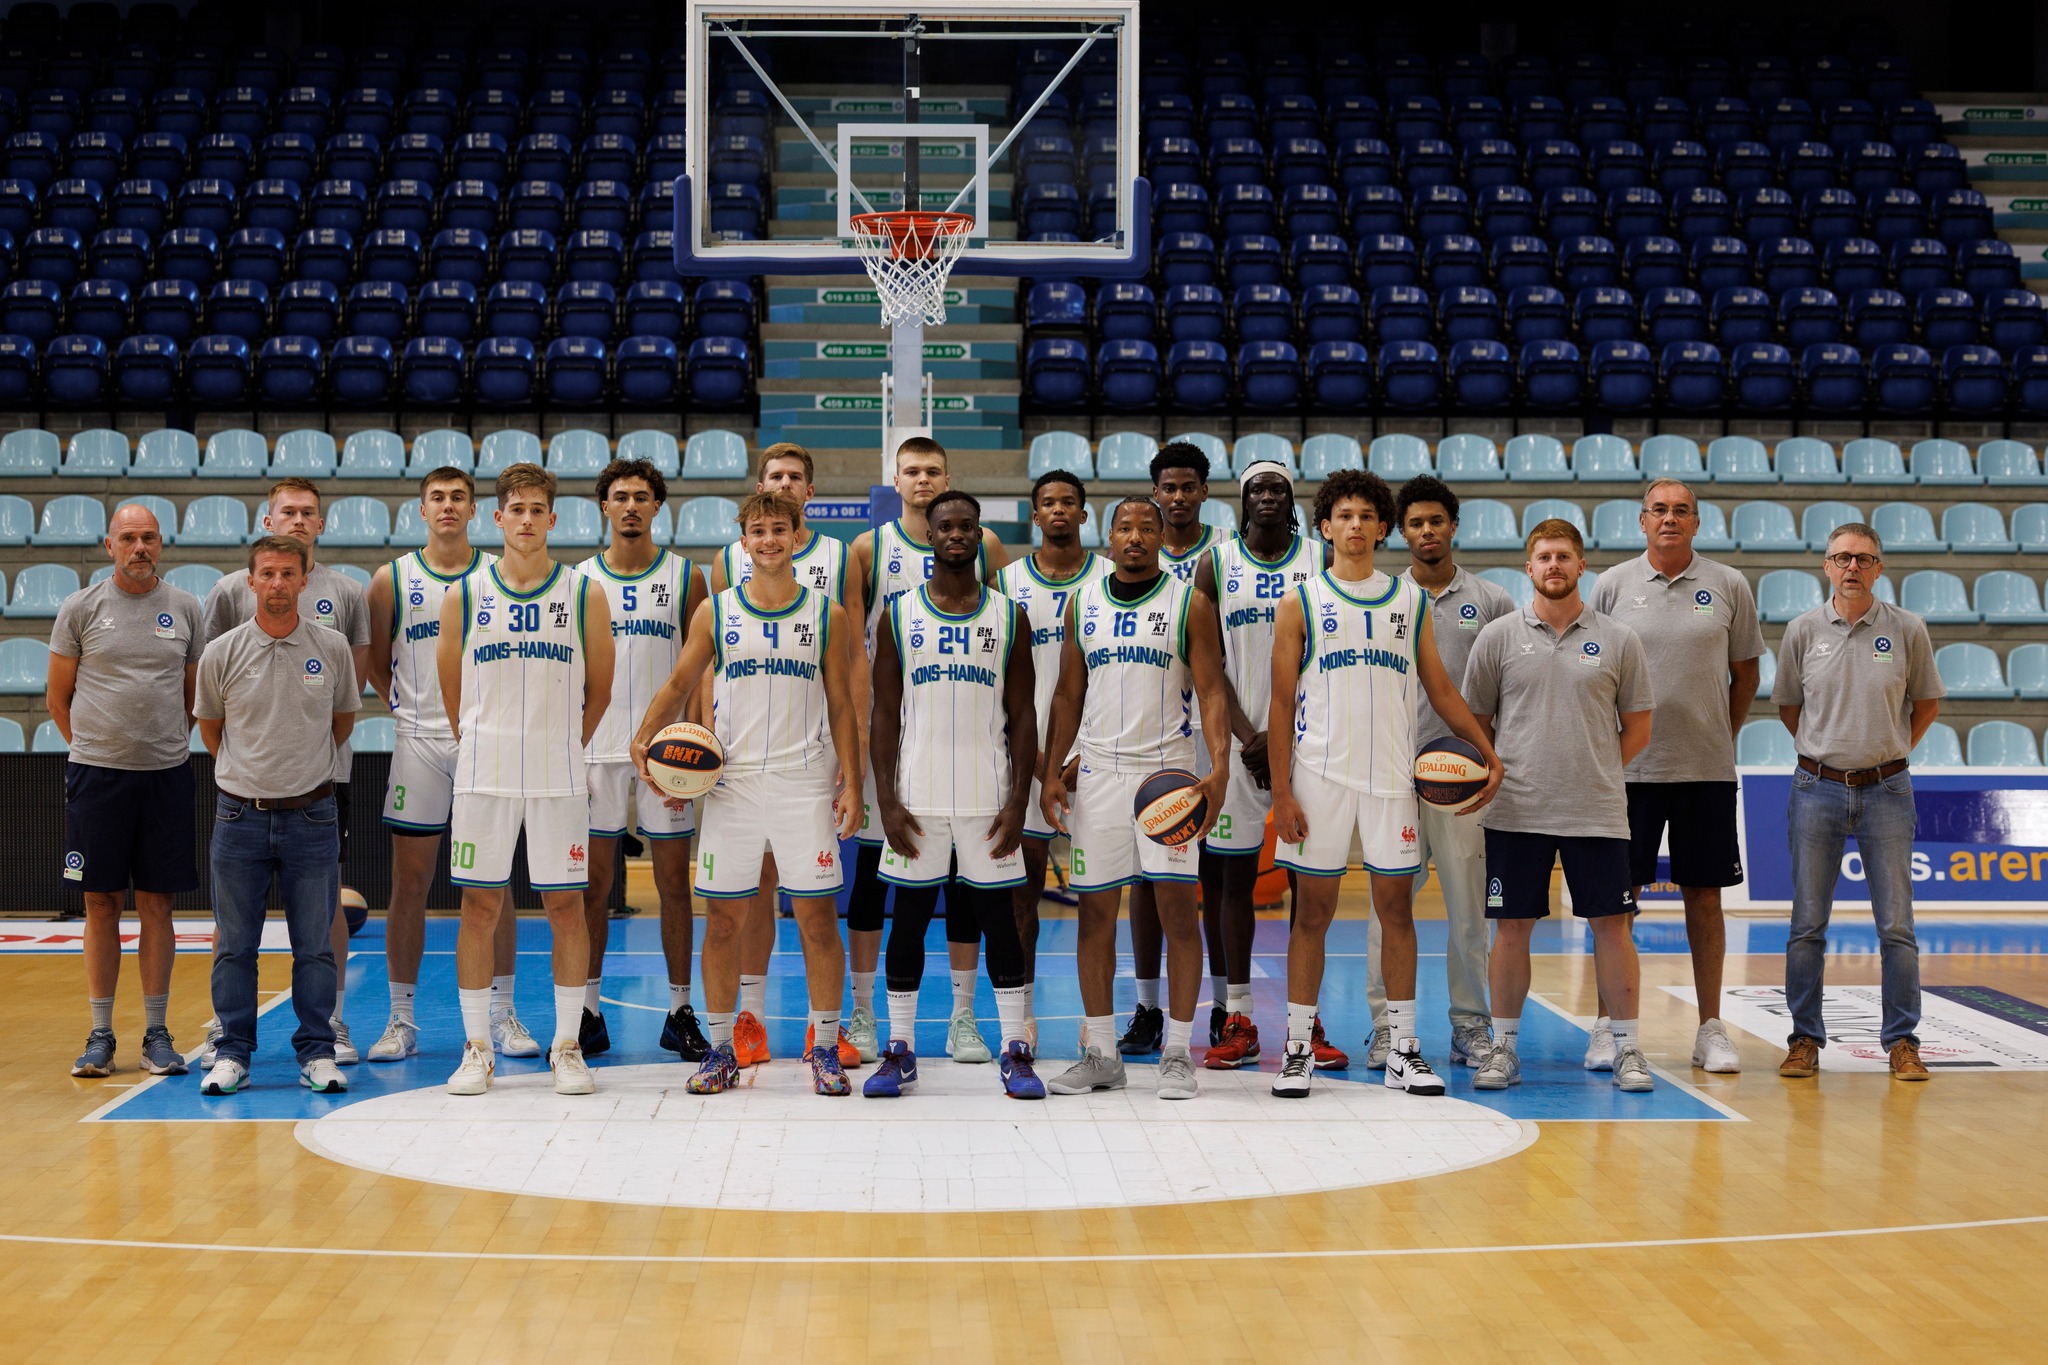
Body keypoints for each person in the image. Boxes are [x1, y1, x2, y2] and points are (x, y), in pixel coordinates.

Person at [1265, 471, 1503, 1099]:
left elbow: (1441, 690)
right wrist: (1282, 792)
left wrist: (1487, 754)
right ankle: (1297, 1049)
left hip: (1392, 780)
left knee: (1397, 912)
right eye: (1344, 515)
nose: (1355, 525)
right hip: (1318, 778)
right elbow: (1279, 702)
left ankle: (1402, 1048)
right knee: (1311, 915)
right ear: (1325, 527)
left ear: (1381, 528)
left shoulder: (1408, 601)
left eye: (1367, 516)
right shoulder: (1300, 601)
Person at [632, 492, 864, 1097]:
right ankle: (719, 1051)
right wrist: (645, 737)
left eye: (779, 529)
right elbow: (680, 681)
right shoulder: (717, 611)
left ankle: (824, 1047)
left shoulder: (828, 614)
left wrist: (854, 782)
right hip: (732, 785)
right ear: (744, 542)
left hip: (804, 782)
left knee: (817, 921)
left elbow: (842, 704)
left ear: (797, 536)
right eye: (758, 531)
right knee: (723, 921)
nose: (769, 540)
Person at [1040, 497, 1232, 1101]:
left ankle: (1177, 1052)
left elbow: (1212, 692)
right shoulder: (1083, 603)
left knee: (1177, 914)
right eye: (1124, 527)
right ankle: (1102, 1053)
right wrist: (1051, 772)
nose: (1136, 537)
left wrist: (1219, 768)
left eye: (1147, 528)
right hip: (1098, 777)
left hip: (1167, 777)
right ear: (1110, 536)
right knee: (1094, 915)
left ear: (1160, 537)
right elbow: (1067, 694)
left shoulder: (1189, 603)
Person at [436, 463, 615, 1098]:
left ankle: (567, 1046)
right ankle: (477, 1047)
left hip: (556, 775)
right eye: (517, 509)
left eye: (538, 509)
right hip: (483, 776)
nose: (528, 520)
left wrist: (561, 744)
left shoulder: (584, 593)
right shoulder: (465, 595)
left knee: (566, 907)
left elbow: (601, 691)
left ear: (553, 519)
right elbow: (453, 693)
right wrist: (482, 742)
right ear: (498, 518)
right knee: (479, 907)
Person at [1462, 518, 1657, 1094]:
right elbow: (1476, 722)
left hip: (1595, 810)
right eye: (1544, 557)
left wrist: (1593, 769)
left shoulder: (1619, 639)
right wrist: (1502, 768)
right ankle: (1503, 1049)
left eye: (1564, 556)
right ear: (1529, 568)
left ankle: (1627, 1048)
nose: (1554, 565)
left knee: (1612, 927)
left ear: (1581, 565)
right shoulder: (1497, 637)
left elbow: (1639, 727)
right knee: (1510, 928)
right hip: (1516, 809)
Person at [866, 492, 1044, 1099]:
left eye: (967, 525)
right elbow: (883, 714)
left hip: (987, 799)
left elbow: (1024, 715)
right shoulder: (899, 615)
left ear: (978, 533)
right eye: (946, 526)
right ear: (930, 535)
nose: (956, 534)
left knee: (1000, 924)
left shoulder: (1009, 616)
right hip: (916, 799)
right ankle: (899, 1048)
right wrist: (887, 800)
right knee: (909, 922)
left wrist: (1018, 802)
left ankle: (1015, 1048)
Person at [1589, 478, 1764, 1075]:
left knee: (1705, 898)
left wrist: (1719, 733)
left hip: (1704, 770)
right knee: (1618, 903)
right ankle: (1609, 1026)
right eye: (1659, 510)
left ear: (1696, 522)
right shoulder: (1612, 585)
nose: (1669, 518)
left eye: (1681, 510)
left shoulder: (1729, 584)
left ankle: (1710, 1027)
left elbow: (1746, 675)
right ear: (1642, 521)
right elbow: (1595, 672)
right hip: (1628, 772)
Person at [196, 477, 371, 1067]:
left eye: (287, 574)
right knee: (235, 942)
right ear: (253, 580)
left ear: (303, 579)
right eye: (267, 574)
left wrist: (301, 757)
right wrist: (248, 764)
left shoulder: (339, 617)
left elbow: (342, 715)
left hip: (314, 802)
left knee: (315, 939)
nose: (277, 582)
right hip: (240, 807)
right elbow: (212, 722)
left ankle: (322, 1039)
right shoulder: (224, 623)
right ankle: (229, 1043)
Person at [847, 436, 1010, 1066]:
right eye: (911, 471)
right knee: (873, 881)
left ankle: (962, 1016)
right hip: (892, 740)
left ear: (948, 477)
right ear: (895, 479)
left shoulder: (985, 545)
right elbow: (855, 646)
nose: (922, 479)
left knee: (965, 885)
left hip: (964, 736)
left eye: (933, 471)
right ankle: (864, 1012)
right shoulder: (869, 549)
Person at [363, 467, 532, 1064]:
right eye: (437, 497)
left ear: (475, 509)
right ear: (422, 509)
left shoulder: (497, 574)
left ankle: (502, 1014)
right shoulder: (392, 578)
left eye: (459, 497)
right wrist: (405, 705)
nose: (448, 506)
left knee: (494, 883)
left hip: (485, 742)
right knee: (408, 883)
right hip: (419, 742)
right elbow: (375, 660)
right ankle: (400, 1018)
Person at [708, 441, 866, 1065]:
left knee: (814, 908)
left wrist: (853, 759)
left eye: (795, 477)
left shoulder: (840, 558)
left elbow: (851, 665)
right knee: (749, 895)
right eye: (774, 475)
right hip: (742, 761)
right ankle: (748, 1019)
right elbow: (708, 661)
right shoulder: (728, 562)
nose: (784, 483)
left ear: (808, 495)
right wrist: (699, 738)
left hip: (808, 756)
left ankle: (821, 1033)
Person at [1772, 522, 1943, 1083]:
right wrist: (1829, 752)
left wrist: (1888, 751)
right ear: (1826, 566)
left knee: (1896, 926)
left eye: (1863, 559)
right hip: (1815, 788)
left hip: (1888, 790)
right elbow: (1790, 707)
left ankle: (1902, 1042)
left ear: (1879, 568)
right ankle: (1804, 1040)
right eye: (1842, 558)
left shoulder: (1908, 629)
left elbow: (1926, 703)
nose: (1852, 567)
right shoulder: (1801, 630)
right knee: (1807, 925)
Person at [51, 504, 203, 1078]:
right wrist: (96, 749)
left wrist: (160, 744)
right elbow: (57, 699)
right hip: (98, 778)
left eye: (149, 538)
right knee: (100, 903)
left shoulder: (185, 607)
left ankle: (157, 1034)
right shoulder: (81, 607)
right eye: (129, 538)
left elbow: (194, 697)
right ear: (109, 545)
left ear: (161, 544)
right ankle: (100, 1034)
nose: (140, 547)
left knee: (158, 904)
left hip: (166, 776)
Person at [1371, 475, 1517, 1071]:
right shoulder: (1381, 597)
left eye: (1436, 521)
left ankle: (1470, 1026)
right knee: (1387, 910)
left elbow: (1510, 689)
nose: (1427, 531)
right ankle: (1387, 1029)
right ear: (1400, 533)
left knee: (1468, 913)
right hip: (1392, 777)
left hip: (1462, 782)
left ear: (1453, 526)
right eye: (1415, 523)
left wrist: (1491, 760)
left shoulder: (1492, 601)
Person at [1190, 459, 1326, 1070]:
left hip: (1307, 744)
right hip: (1236, 744)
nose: (1267, 496)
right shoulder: (1215, 563)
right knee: (1231, 879)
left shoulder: (1318, 558)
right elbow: (1205, 658)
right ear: (1242, 501)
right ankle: (1236, 1013)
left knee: (1307, 881)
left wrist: (1283, 741)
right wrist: (1250, 737)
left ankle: (1306, 1019)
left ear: (1291, 500)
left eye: (1277, 488)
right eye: (1257, 489)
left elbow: (1326, 653)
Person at [576, 457, 709, 1063]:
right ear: (604, 506)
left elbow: (700, 668)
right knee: (593, 887)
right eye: (620, 496)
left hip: (667, 752)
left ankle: (680, 1010)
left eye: (641, 496)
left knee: (674, 884)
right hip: (597, 749)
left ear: (658, 506)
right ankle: (587, 1011)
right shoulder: (580, 580)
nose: (631, 506)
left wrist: (700, 739)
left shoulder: (685, 577)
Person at [1121, 441, 1229, 1055]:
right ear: (1156, 493)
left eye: (1189, 486)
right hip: (1143, 741)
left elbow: (1217, 671)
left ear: (1204, 492)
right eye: (1168, 487)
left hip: (1208, 739)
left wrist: (1232, 744)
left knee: (1211, 884)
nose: (1179, 496)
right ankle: (1147, 1008)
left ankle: (1225, 1008)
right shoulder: (1122, 565)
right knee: (1145, 881)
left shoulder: (1223, 557)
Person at [995, 470, 1107, 1048]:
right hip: (1028, 758)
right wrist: (1040, 760)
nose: (1059, 510)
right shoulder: (1006, 582)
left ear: (1084, 515)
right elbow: (996, 679)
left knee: (1099, 898)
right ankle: (1023, 1016)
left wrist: (1081, 754)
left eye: (1069, 502)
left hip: (1099, 760)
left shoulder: (1112, 578)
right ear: (1034, 515)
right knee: (1023, 894)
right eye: (1048, 503)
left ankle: (1096, 1020)